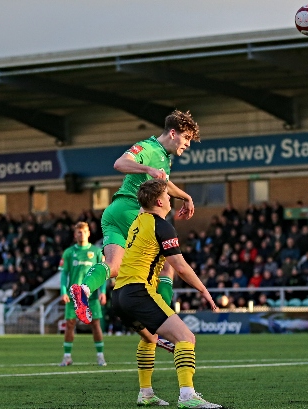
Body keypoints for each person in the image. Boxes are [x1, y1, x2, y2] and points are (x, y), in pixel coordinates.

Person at [71, 110, 199, 347]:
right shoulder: (149, 148)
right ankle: (162, 319)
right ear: (173, 133)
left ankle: (84, 289)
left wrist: (185, 197)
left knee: (114, 266)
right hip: (133, 212)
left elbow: (164, 183)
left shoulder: (163, 156)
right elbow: (120, 163)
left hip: (113, 212)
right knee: (167, 266)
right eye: (186, 138)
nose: (188, 145)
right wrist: (148, 170)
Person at [109, 179, 222, 408]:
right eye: (168, 195)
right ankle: (188, 396)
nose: (171, 197)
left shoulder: (139, 220)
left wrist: (166, 186)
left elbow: (147, 197)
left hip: (119, 294)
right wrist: (204, 290)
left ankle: (146, 393)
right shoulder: (162, 226)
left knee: (148, 338)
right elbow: (180, 266)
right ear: (159, 201)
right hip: (138, 292)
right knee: (186, 338)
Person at [59, 222, 107, 367]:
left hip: (91, 296)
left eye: (84, 231)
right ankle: (67, 357)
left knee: (96, 323)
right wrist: (63, 292)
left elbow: (103, 274)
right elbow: (64, 274)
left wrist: (103, 292)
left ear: (89, 233)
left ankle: (100, 356)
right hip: (74, 296)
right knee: (70, 324)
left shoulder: (97, 252)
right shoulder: (68, 252)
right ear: (75, 235)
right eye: (79, 232)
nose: (81, 234)